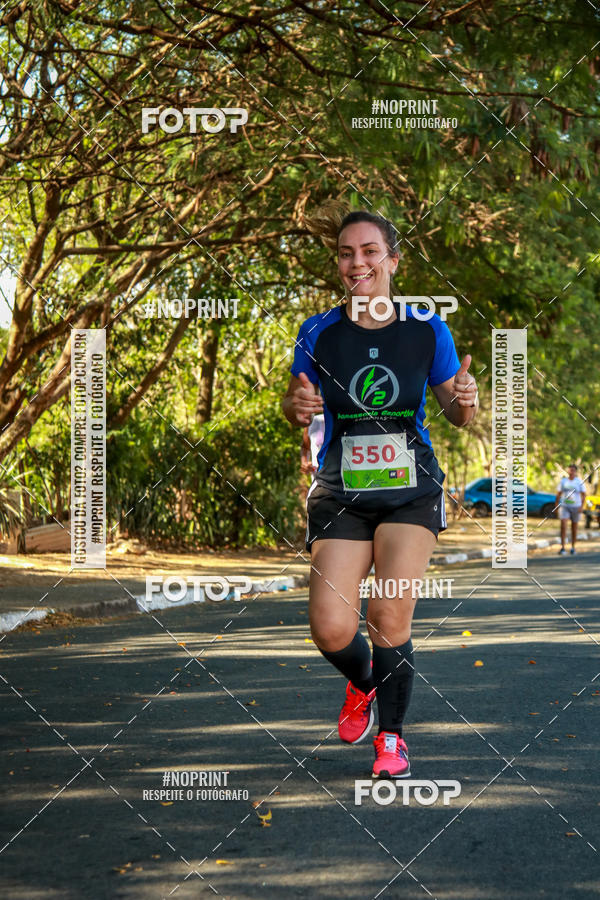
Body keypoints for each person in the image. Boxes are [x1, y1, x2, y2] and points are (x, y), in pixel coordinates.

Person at [281, 207, 478, 778]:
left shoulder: (426, 328)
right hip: (341, 488)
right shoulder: (319, 332)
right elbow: (301, 403)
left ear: (393, 260)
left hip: (410, 490)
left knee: (389, 612)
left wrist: (463, 396)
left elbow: (455, 412)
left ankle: (391, 740)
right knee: (331, 626)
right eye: (346, 253)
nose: (357, 262)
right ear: (339, 264)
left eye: (370, 251)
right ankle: (365, 683)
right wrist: (295, 407)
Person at [556, 463, 586, 555]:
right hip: (565, 506)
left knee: (574, 527)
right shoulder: (563, 481)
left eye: (573, 470)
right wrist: (556, 505)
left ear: (575, 471)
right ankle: (563, 547)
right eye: (570, 470)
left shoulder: (579, 482)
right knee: (563, 525)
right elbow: (558, 493)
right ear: (568, 471)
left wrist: (581, 506)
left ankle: (573, 547)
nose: (571, 472)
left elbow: (584, 494)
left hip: (576, 507)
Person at [301, 413, 325, 477]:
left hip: (342, 480)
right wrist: (304, 462)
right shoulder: (312, 421)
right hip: (318, 479)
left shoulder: (345, 418)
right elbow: (305, 446)